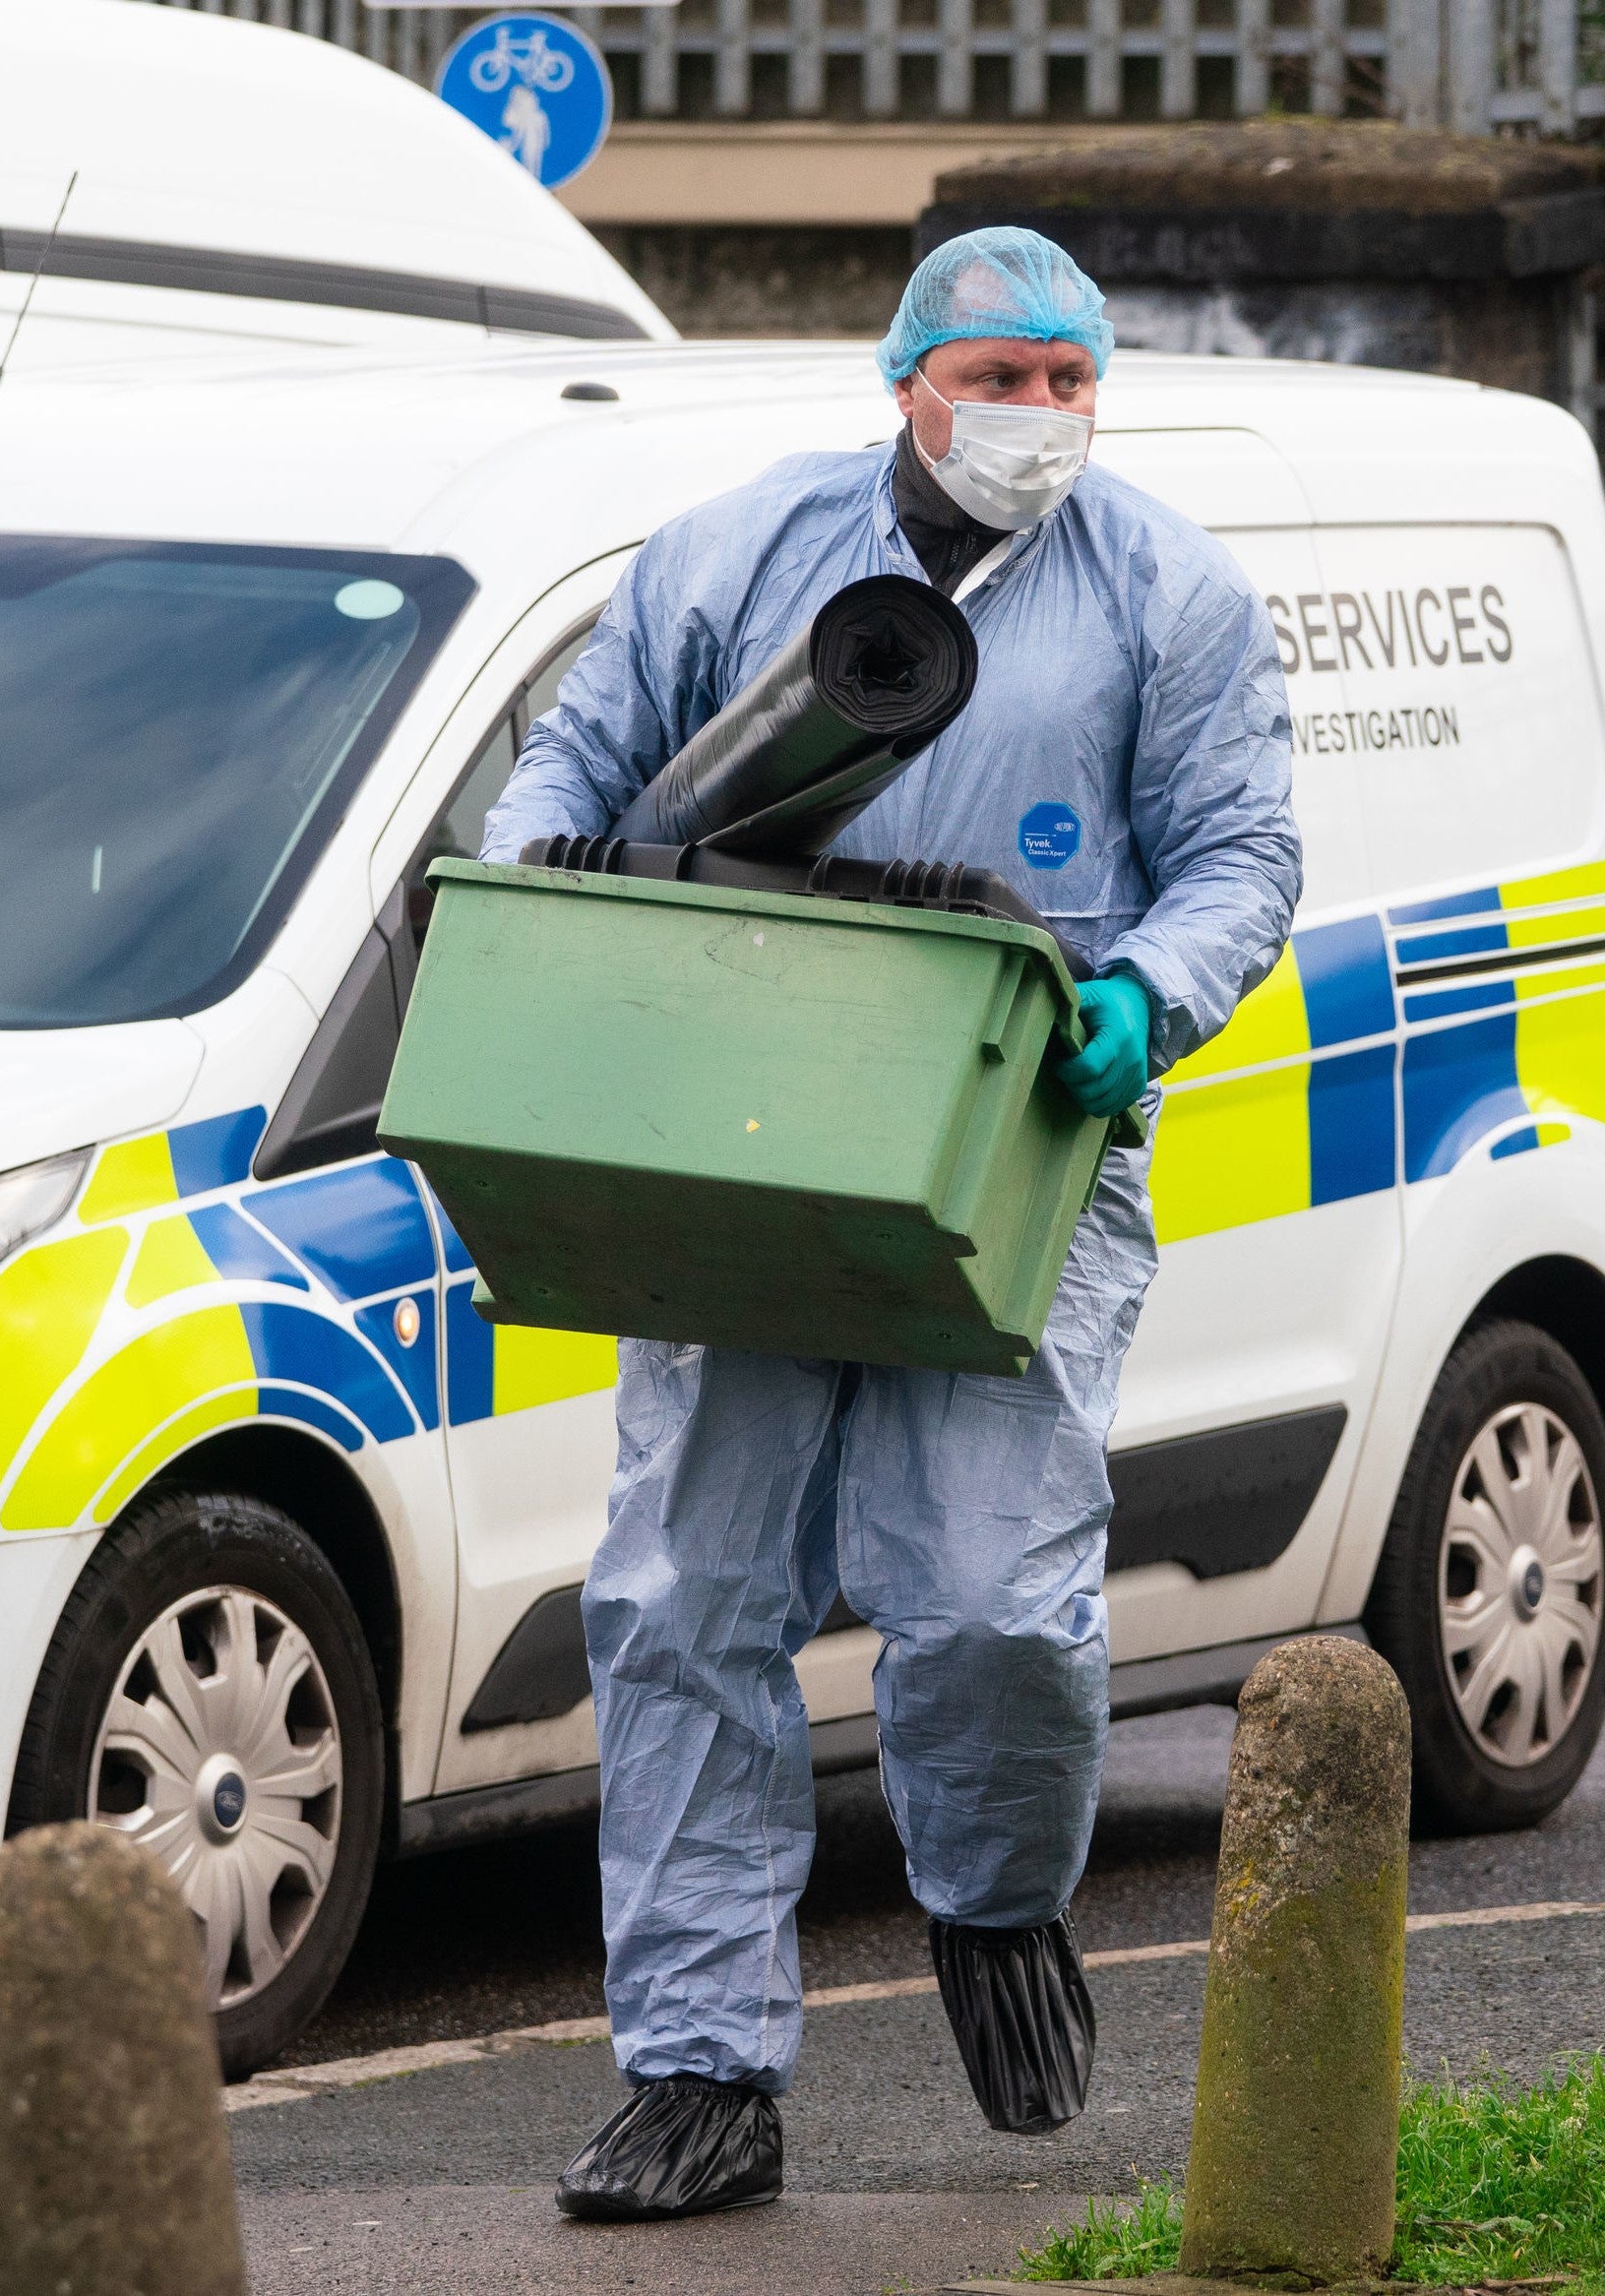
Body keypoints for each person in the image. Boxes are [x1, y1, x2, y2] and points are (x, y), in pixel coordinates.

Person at [482, 228, 1301, 2221]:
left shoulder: (1163, 591)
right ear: (904, 375)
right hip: (734, 1123)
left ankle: (996, 1892)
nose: (1035, 414)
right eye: (998, 376)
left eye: (1065, 378)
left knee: (987, 1601)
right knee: (684, 1596)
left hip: (1013, 1137)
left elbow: (1237, 849)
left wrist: (1143, 998)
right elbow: (570, 762)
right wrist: (537, 897)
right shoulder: (731, 555)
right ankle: (695, 2066)